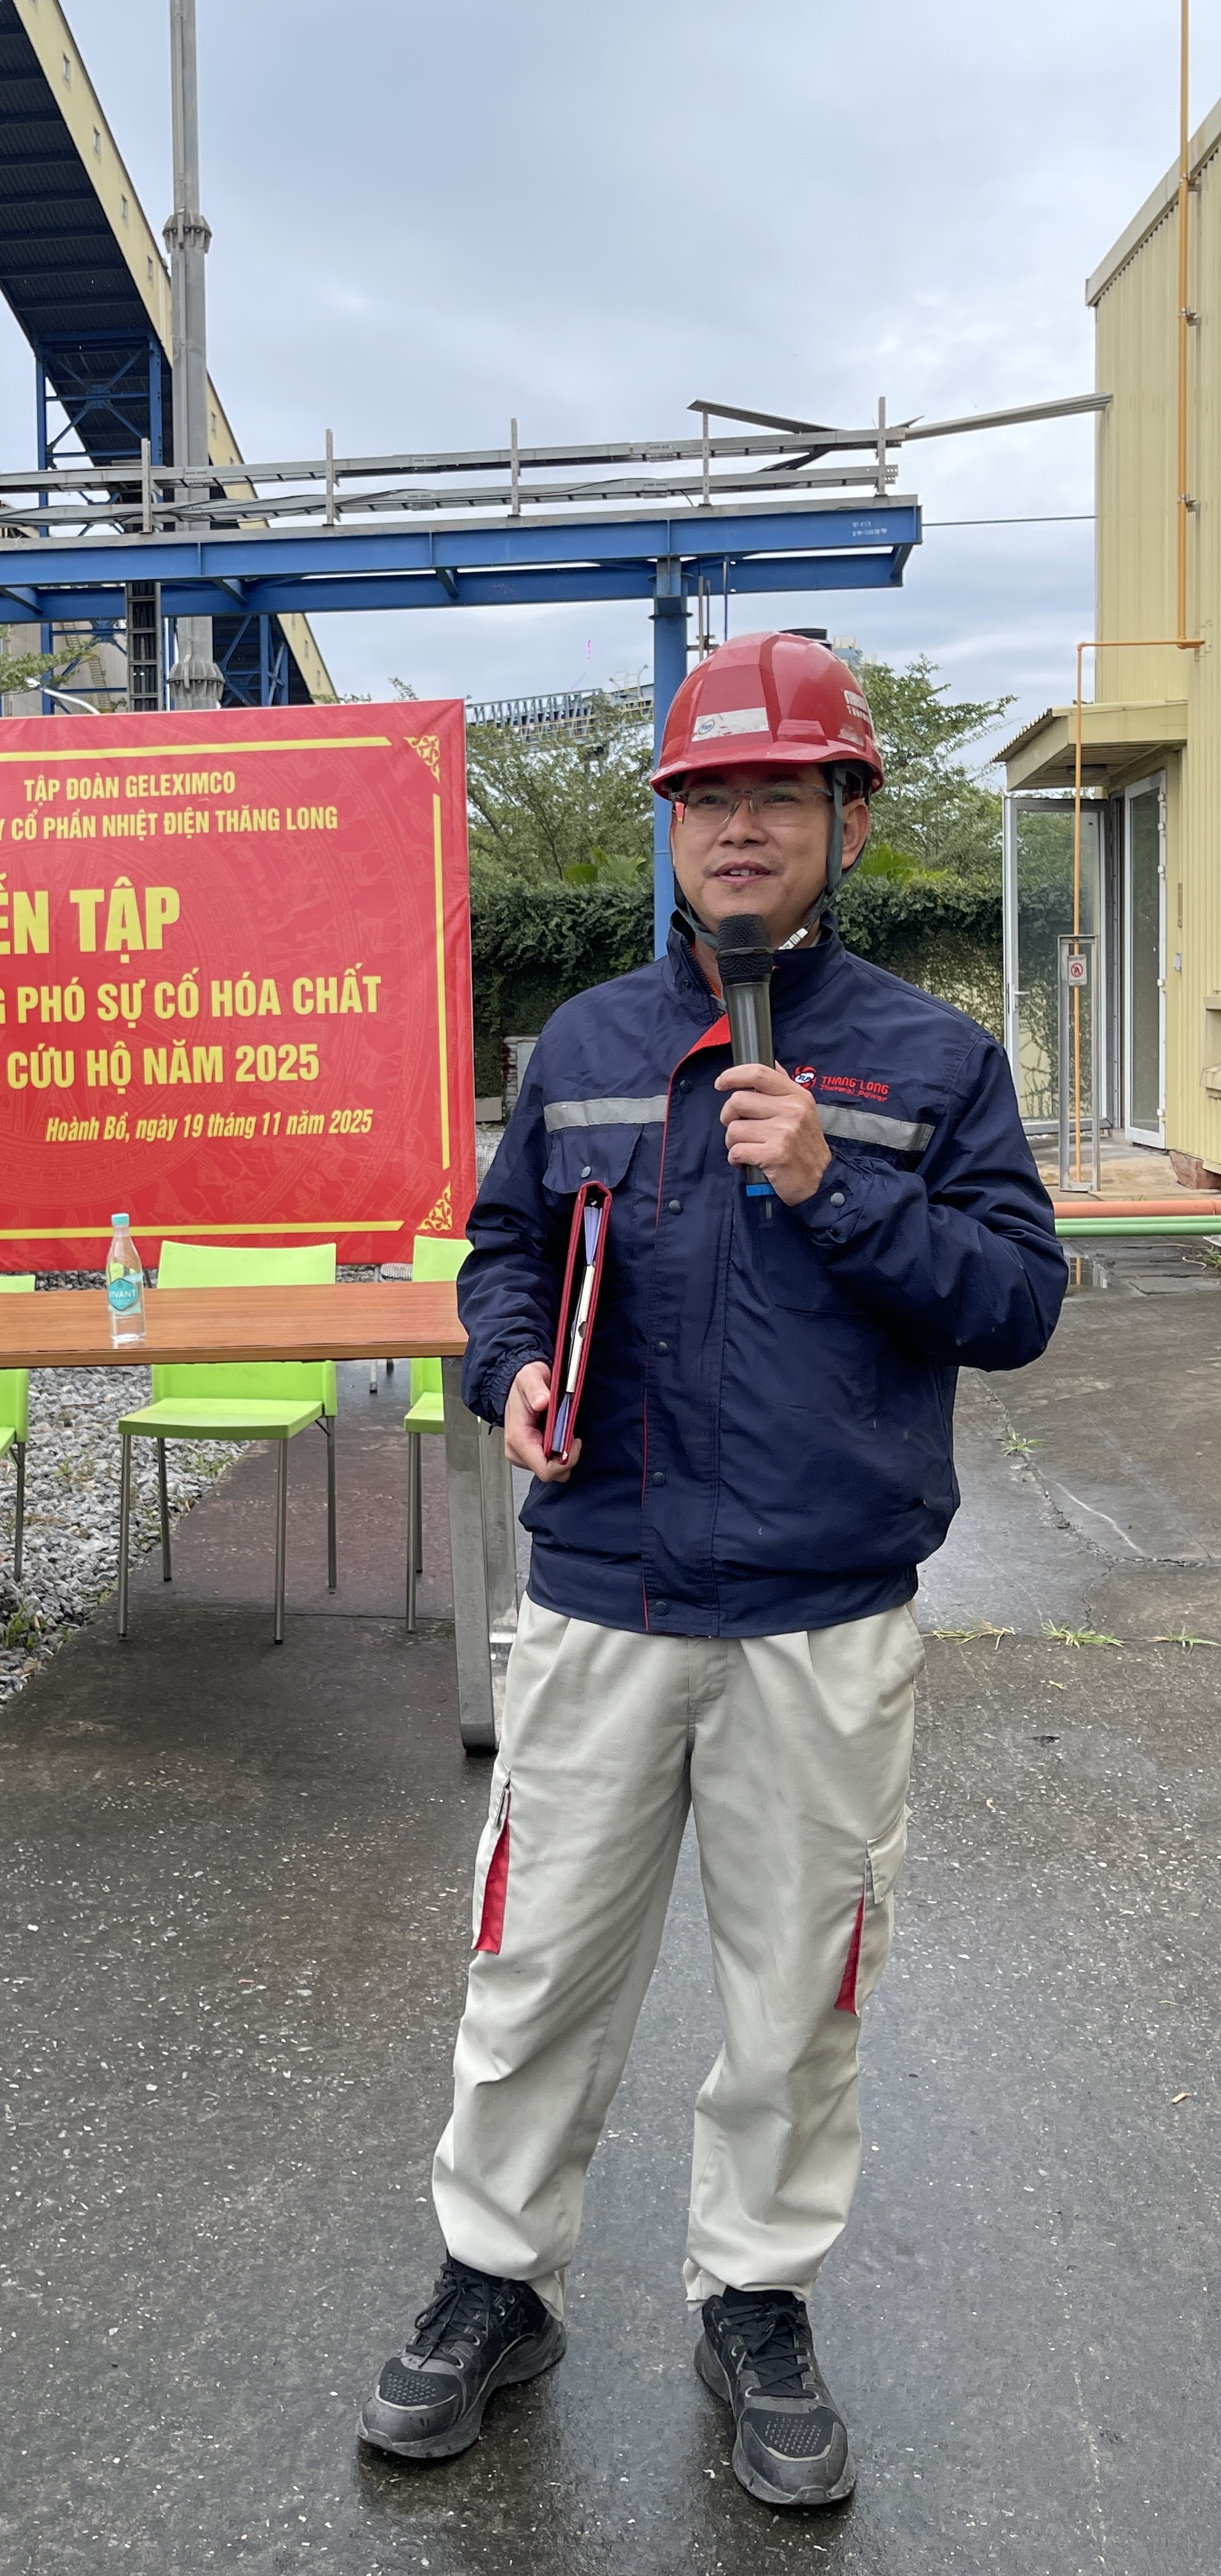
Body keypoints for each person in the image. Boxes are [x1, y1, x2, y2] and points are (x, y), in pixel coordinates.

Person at [358, 631, 1065, 2507]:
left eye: (776, 794)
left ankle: (755, 2299)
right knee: (533, 1971)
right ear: (669, 827)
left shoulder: (935, 1062)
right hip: (602, 1599)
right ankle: (496, 2280)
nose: (737, 827)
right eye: (705, 798)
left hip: (824, 1623)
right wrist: (512, 1368)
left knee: (796, 2000)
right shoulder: (589, 1044)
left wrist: (843, 1183)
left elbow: (1018, 1304)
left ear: (850, 815)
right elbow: (505, 1254)